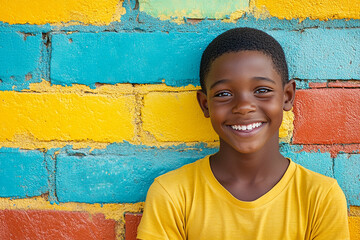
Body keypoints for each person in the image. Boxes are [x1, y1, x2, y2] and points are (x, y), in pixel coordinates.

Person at [137, 27, 349, 240]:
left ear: (287, 96)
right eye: (224, 94)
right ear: (205, 104)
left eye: (262, 90)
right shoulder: (173, 194)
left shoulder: (320, 197)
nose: (244, 106)